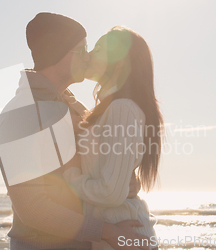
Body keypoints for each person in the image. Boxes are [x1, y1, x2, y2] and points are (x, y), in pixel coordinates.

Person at [0, 13, 150, 250]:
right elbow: (33, 209)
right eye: (82, 49)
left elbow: (100, 166)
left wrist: (123, 180)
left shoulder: (77, 107)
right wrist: (109, 232)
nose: (88, 57)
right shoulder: (21, 114)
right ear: (58, 53)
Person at [63, 26, 164, 250]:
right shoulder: (110, 108)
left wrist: (69, 181)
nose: (88, 55)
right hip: (114, 232)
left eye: (97, 49)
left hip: (124, 234)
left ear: (118, 61)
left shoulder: (122, 109)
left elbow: (110, 192)